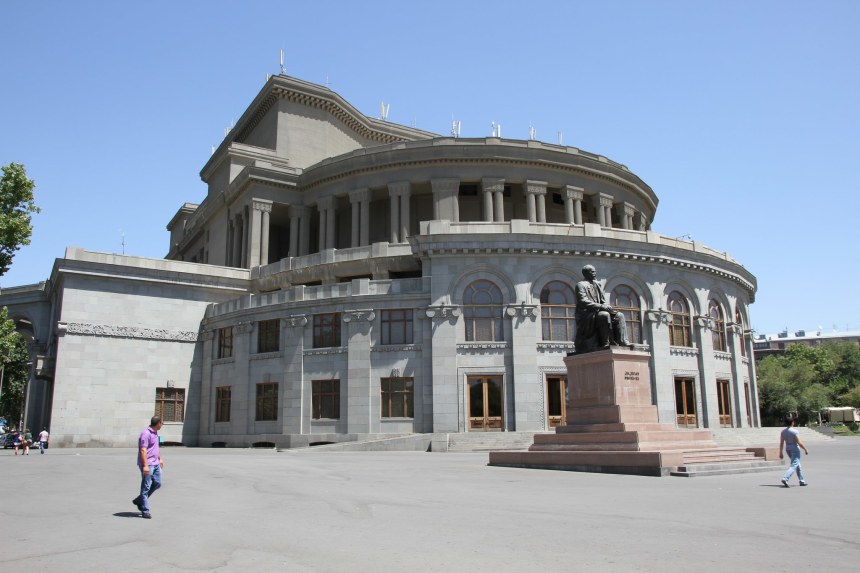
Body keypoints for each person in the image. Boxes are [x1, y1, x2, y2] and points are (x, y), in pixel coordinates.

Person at [574, 264, 632, 353]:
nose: (595, 273)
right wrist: (601, 307)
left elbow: (602, 300)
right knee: (604, 315)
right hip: (587, 314)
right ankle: (605, 343)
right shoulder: (580, 285)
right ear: (586, 273)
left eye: (595, 271)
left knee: (619, 315)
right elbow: (583, 301)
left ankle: (623, 341)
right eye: (592, 272)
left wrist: (606, 306)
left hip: (598, 310)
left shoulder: (597, 284)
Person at [132, 416, 164, 519]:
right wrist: (145, 466)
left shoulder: (155, 433)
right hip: (148, 464)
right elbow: (143, 450)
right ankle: (145, 510)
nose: (162, 425)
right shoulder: (145, 434)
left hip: (155, 463)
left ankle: (139, 500)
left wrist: (160, 458)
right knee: (145, 487)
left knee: (158, 483)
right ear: (158, 423)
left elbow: (155, 447)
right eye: (161, 423)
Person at [779, 415, 809, 487]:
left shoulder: (783, 432)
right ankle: (785, 478)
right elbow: (799, 442)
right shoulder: (795, 431)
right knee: (794, 465)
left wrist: (780, 452)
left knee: (797, 464)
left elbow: (781, 443)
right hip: (795, 448)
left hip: (788, 448)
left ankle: (801, 481)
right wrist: (805, 449)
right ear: (792, 422)